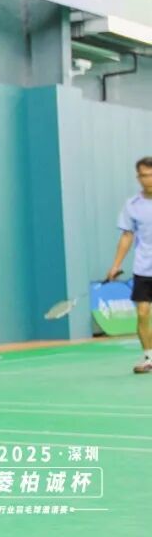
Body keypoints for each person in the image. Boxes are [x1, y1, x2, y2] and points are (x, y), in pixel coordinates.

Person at [107, 156, 152, 374]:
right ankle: (149, 358)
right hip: (144, 267)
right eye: (143, 175)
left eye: (150, 175)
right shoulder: (132, 205)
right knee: (142, 313)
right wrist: (116, 265)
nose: (147, 180)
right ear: (138, 177)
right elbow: (127, 236)